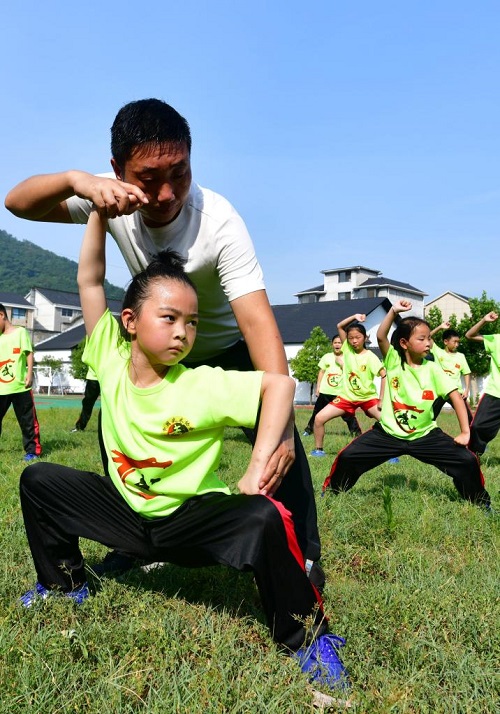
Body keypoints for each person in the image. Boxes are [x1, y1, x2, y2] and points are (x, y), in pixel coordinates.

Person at [18, 214, 349, 692]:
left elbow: (279, 384)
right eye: (169, 318)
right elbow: (89, 279)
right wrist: (95, 209)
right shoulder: (108, 358)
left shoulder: (200, 384)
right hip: (129, 519)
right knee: (40, 481)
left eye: (191, 323)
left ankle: (306, 638)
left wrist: (257, 466)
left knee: (264, 515)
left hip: (192, 522)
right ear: (129, 322)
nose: (182, 332)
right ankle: (65, 585)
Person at [5, 98, 321, 585]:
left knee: (284, 448)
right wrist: (77, 182)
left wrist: (276, 436)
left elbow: (260, 327)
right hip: (159, 351)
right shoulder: (110, 200)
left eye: (181, 172)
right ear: (118, 169)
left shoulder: (218, 222)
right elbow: (18, 202)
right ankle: (132, 540)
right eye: (149, 179)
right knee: (124, 438)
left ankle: (303, 558)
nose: (167, 192)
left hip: (226, 347)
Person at [322, 300, 491, 510]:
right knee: (347, 457)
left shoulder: (434, 369)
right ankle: (330, 494)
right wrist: (393, 311)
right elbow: (381, 336)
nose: (429, 343)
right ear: (404, 343)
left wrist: (465, 432)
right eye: (422, 338)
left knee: (467, 461)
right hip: (387, 434)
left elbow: (456, 398)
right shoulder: (393, 361)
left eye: (429, 338)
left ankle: (481, 504)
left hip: (425, 436)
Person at [311, 314, 385, 457]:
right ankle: (318, 450)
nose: (354, 341)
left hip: (367, 397)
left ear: (365, 337)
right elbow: (340, 326)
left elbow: (384, 375)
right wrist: (355, 316)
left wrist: (381, 398)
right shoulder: (347, 350)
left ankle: (391, 454)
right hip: (346, 397)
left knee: (387, 422)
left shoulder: (371, 357)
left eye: (357, 337)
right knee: (319, 418)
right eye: (350, 338)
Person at [0, 304, 42, 461]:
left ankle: (32, 451)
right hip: (1, 388)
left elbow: (29, 353)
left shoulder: (20, 332)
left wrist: (29, 373)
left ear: (1, 315)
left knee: (27, 421)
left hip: (20, 386)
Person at [302, 335, 361, 438]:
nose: (337, 345)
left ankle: (356, 434)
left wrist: (342, 364)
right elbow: (321, 372)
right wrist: (318, 388)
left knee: (348, 415)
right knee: (317, 413)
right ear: (332, 344)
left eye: (340, 343)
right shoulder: (327, 357)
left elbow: (351, 374)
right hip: (325, 392)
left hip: (341, 393)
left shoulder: (349, 357)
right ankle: (309, 430)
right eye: (335, 343)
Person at [466, 311, 500, 456]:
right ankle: (474, 456)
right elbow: (470, 335)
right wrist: (484, 321)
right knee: (478, 426)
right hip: (495, 393)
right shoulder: (496, 340)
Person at [429, 322, 473, 423]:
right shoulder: (437, 352)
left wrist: (467, 390)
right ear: (445, 342)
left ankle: (470, 437)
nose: (457, 344)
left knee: (468, 419)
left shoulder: (461, 356)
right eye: (454, 342)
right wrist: (440, 327)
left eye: (458, 342)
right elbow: (428, 337)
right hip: (439, 392)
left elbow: (466, 373)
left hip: (456, 392)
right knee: (429, 417)